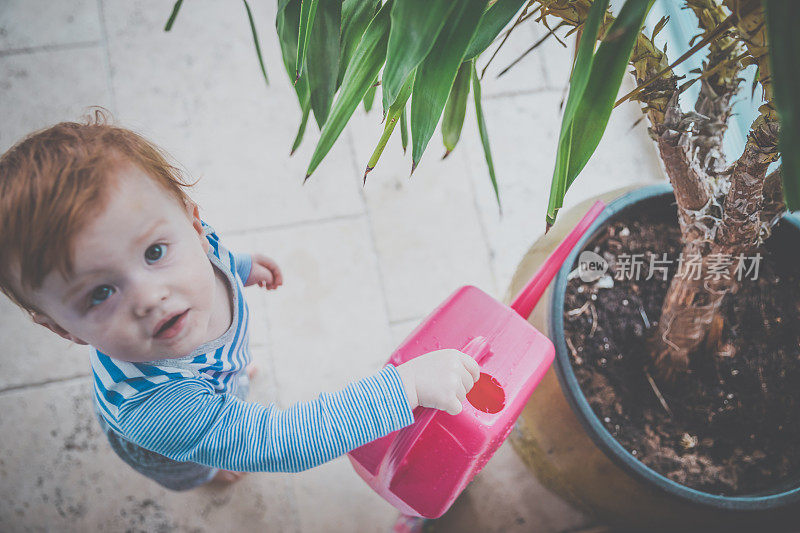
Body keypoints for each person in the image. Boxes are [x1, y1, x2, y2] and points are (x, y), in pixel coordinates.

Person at [0, 112, 481, 491]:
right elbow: (282, 443)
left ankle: (223, 394)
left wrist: (242, 265)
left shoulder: (193, 242)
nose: (150, 297)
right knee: (199, 466)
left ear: (191, 222)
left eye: (153, 253)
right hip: (171, 442)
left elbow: (213, 252)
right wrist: (404, 388)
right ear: (63, 329)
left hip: (209, 378)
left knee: (220, 394)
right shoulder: (155, 410)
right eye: (100, 293)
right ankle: (208, 472)